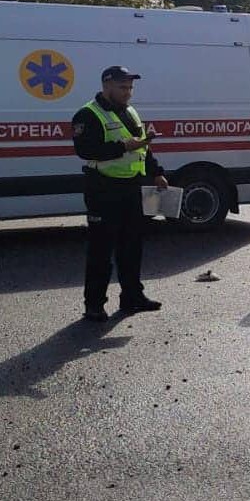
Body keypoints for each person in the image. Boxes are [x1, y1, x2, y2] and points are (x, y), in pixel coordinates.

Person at [72, 66, 169, 322]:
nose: (128, 93)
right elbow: (86, 150)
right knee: (100, 251)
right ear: (107, 86)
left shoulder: (131, 112)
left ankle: (132, 297)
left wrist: (156, 172)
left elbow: (143, 147)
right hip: (103, 189)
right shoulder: (88, 114)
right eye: (122, 87)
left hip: (132, 188)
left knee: (132, 247)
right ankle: (94, 305)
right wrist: (124, 146)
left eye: (130, 88)